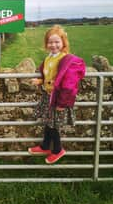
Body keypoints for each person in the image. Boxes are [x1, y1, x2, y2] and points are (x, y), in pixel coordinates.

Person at [28, 25, 86, 164]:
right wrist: (40, 80)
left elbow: (69, 84)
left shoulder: (65, 60)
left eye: (57, 42)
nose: (53, 45)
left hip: (58, 99)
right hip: (49, 96)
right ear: (46, 43)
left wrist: (62, 103)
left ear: (63, 42)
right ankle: (45, 146)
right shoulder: (49, 58)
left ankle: (58, 150)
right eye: (50, 42)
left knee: (53, 125)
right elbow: (50, 76)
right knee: (49, 122)